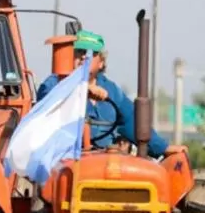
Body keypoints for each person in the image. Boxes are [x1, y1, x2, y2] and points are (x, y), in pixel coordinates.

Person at [36, 30, 169, 157]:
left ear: (101, 62)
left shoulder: (112, 91)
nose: (83, 56)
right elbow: (48, 99)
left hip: (104, 161)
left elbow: (133, 122)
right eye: (79, 52)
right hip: (65, 159)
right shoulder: (55, 82)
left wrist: (163, 148)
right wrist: (84, 89)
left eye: (90, 53)